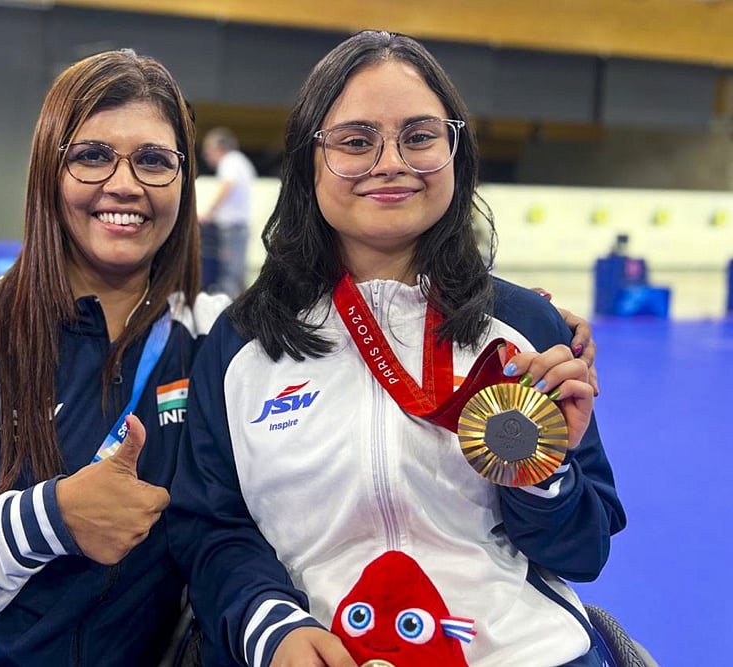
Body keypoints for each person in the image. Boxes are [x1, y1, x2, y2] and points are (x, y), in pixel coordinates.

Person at [168, 30, 625, 667]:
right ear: (309, 161)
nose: (391, 162)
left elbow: (583, 553)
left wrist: (541, 474)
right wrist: (273, 631)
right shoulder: (243, 342)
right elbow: (212, 529)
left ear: (454, 154)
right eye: (356, 141)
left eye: (419, 137)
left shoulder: (527, 327)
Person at [0, 49, 229, 666]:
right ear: (48, 172)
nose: (125, 184)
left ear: (183, 182)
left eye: (154, 161)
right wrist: (46, 520)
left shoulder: (211, 337)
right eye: (92, 156)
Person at [199, 126, 257, 297]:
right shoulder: (241, 162)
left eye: (209, 151)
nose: (206, 157)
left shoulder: (229, 162)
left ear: (220, 149)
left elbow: (227, 185)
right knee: (236, 273)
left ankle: (228, 317)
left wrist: (209, 212)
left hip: (232, 229)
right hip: (239, 228)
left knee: (229, 274)